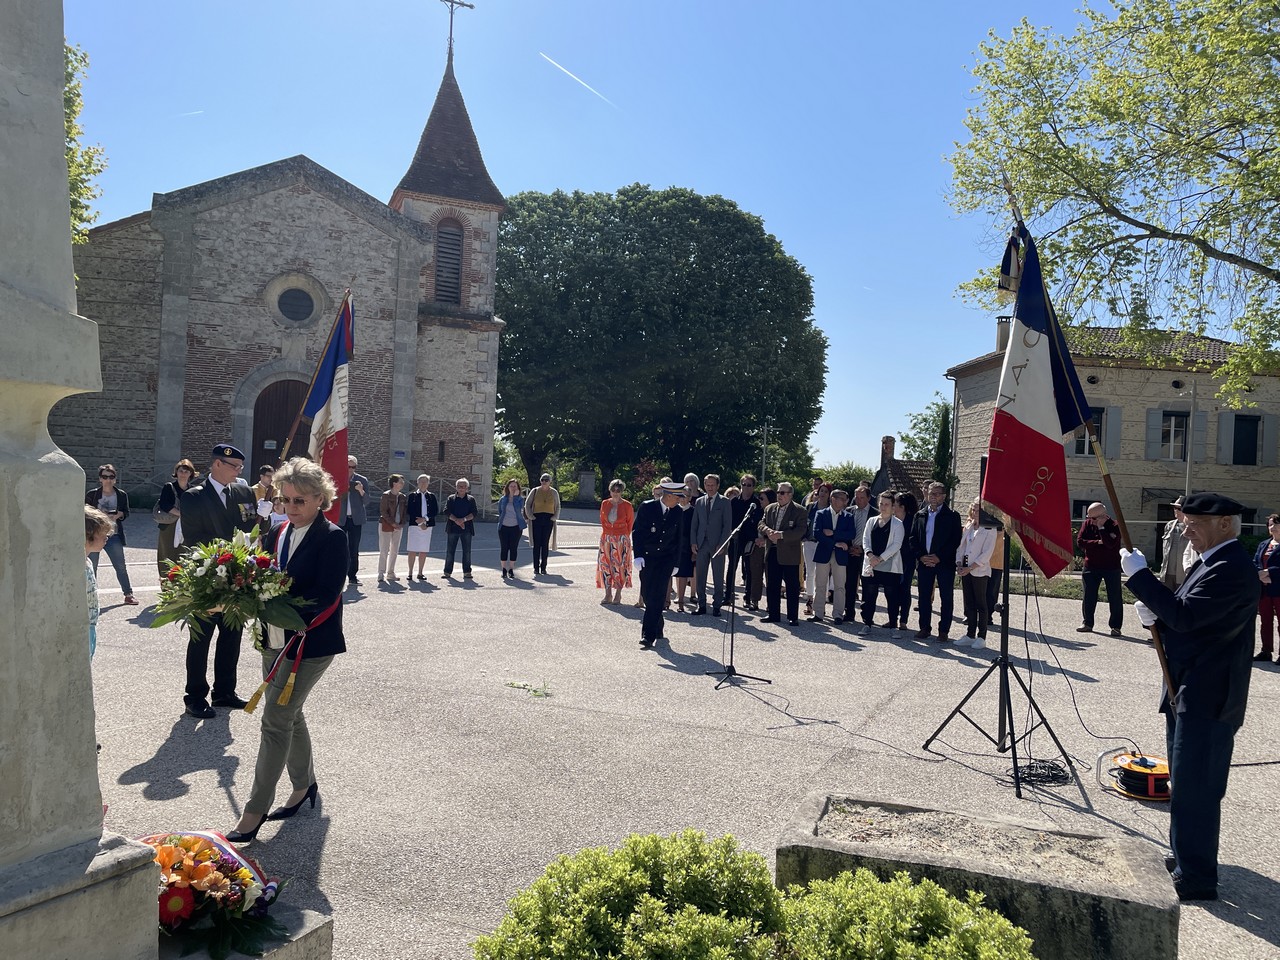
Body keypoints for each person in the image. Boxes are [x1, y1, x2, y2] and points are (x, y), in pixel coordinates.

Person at [1122, 492, 1260, 902]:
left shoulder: (1231, 568)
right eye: (1185, 523)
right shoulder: (1211, 562)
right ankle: (1187, 856)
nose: (1187, 530)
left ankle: (1198, 876)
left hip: (1209, 694)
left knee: (1197, 786)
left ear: (1225, 524)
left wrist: (1141, 580)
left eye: (1194, 524)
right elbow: (1187, 617)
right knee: (1183, 782)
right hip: (1188, 687)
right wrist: (1157, 618)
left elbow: (1187, 615)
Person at [225, 457, 347, 844]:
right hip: (273, 640)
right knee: (290, 714)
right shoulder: (277, 533)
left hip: (309, 644)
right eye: (286, 500)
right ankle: (303, 786)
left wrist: (284, 612)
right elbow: (263, 577)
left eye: (300, 501)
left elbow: (328, 595)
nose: (291, 508)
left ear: (319, 499)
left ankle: (255, 810)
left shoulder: (333, 537)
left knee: (275, 720)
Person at [179, 443, 261, 718]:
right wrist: (224, 558)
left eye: (240, 467)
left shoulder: (243, 491)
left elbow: (250, 528)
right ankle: (195, 696)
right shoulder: (193, 497)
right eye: (234, 467)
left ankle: (224, 691)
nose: (238, 472)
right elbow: (193, 538)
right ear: (217, 465)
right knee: (201, 637)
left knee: (231, 635)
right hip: (208, 577)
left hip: (237, 577)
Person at [631, 481, 687, 647]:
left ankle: (648, 635)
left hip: (666, 559)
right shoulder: (647, 508)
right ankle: (658, 625)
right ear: (668, 496)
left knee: (658, 595)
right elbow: (638, 532)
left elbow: (679, 539)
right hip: (647, 557)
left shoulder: (678, 512)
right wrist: (638, 555)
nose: (679, 500)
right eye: (678, 497)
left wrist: (676, 562)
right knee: (648, 594)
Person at [909, 482, 962, 642]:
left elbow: (955, 541)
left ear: (944, 496)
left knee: (946, 597)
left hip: (944, 563)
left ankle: (943, 630)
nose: (933, 496)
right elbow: (913, 539)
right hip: (925, 562)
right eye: (931, 493)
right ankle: (924, 628)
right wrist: (921, 556)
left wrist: (939, 557)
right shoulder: (920, 515)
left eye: (937, 494)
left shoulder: (952, 515)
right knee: (924, 596)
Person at [84, 463, 138, 605]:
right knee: (91, 565)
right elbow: (85, 513)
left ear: (115, 478)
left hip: (114, 534)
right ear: (100, 479)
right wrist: (99, 515)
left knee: (120, 566)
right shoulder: (92, 494)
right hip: (95, 535)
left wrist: (119, 515)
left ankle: (128, 593)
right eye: (105, 476)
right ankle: (90, 594)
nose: (108, 479)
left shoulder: (121, 495)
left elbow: (126, 512)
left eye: (111, 476)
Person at [759, 482, 807, 625]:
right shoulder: (769, 508)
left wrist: (781, 535)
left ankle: (792, 616)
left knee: (792, 586)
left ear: (790, 494)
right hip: (772, 551)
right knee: (772, 585)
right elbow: (761, 523)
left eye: (782, 493)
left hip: (789, 553)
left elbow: (800, 531)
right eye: (778, 492)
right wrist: (767, 530)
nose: (779, 495)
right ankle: (773, 614)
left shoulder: (800, 510)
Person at [858, 492, 904, 637]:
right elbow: (865, 540)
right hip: (872, 563)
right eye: (881, 504)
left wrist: (881, 558)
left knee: (892, 596)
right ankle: (867, 624)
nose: (883, 507)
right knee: (869, 595)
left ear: (893, 507)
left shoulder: (898, 524)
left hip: (890, 565)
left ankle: (893, 626)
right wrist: (870, 555)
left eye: (887, 504)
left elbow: (896, 545)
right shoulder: (871, 521)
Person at [954, 500, 998, 651]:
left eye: (978, 510)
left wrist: (971, 568)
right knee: (969, 602)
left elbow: (986, 554)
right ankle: (970, 634)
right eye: (973, 510)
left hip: (979, 570)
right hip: (965, 568)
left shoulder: (989, 529)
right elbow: (961, 547)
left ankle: (981, 636)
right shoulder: (968, 526)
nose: (974, 513)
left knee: (981, 603)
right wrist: (959, 564)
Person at [1077, 501, 1124, 637]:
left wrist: (1102, 529)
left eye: (1093, 518)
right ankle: (1087, 623)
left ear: (1103, 516)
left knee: (1114, 596)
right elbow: (1080, 542)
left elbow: (1110, 544)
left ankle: (1115, 626)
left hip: (1111, 566)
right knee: (1089, 595)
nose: (1090, 520)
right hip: (1091, 565)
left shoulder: (1114, 526)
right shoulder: (1087, 524)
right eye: (1089, 517)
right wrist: (1097, 542)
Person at [808, 489, 855, 623]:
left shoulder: (848, 516)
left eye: (846, 499)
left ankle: (838, 614)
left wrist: (833, 533)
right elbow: (817, 533)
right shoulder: (821, 514)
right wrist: (836, 544)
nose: (845, 502)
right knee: (820, 584)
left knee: (840, 586)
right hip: (824, 552)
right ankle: (818, 613)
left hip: (840, 555)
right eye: (842, 499)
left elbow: (850, 534)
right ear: (833, 499)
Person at [690, 473, 731, 616]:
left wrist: (722, 544)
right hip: (701, 544)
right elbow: (694, 523)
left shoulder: (724, 502)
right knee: (700, 576)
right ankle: (701, 604)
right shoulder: (700, 501)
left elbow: (727, 526)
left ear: (718, 485)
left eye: (713, 485)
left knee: (718, 577)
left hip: (717, 545)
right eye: (707, 485)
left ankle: (717, 605)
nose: (710, 487)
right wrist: (693, 541)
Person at [155, 458, 196, 584]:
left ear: (191, 474)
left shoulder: (194, 489)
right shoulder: (169, 487)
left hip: (186, 526)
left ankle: (181, 586)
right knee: (166, 555)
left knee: (184, 555)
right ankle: (166, 586)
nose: (183, 473)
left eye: (186, 471)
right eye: (181, 470)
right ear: (176, 472)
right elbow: (164, 504)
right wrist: (181, 514)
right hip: (169, 526)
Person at [597, 479, 634, 604]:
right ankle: (608, 594)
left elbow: (630, 523)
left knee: (620, 566)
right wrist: (608, 534)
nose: (615, 493)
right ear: (610, 490)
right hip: (606, 538)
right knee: (605, 566)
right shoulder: (605, 503)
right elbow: (602, 520)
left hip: (621, 539)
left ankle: (618, 593)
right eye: (613, 490)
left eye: (618, 490)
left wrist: (622, 537)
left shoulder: (627, 505)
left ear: (622, 491)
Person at [85, 505, 114, 659]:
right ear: (88, 534)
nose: (106, 537)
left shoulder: (87, 562)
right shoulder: (78, 566)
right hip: (82, 627)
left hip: (90, 624)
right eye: (102, 533)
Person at [888, 492, 919, 633]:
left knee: (904, 588)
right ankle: (892, 619)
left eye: (895, 503)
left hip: (907, 559)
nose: (893, 506)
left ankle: (903, 620)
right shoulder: (891, 519)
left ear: (902, 506)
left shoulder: (913, 520)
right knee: (892, 588)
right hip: (892, 559)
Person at [842, 485, 873, 624]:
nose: (859, 500)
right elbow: (843, 531)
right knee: (849, 584)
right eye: (857, 497)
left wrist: (862, 549)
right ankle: (849, 613)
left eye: (862, 498)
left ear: (869, 498)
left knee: (867, 586)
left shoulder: (875, 514)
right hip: (850, 552)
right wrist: (849, 547)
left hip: (866, 555)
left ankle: (867, 616)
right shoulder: (848, 512)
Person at [732, 475, 762, 610]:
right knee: (731, 568)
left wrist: (753, 536)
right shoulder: (734, 502)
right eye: (743, 484)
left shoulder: (756, 503)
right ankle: (728, 596)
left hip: (750, 540)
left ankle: (748, 598)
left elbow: (756, 523)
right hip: (736, 539)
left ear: (753, 487)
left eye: (749, 485)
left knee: (749, 570)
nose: (745, 487)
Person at [802, 484, 832, 617]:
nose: (823, 493)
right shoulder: (810, 507)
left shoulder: (830, 510)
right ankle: (809, 600)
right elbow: (804, 523)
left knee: (822, 575)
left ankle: (820, 604)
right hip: (809, 542)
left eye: (826, 491)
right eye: (821, 491)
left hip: (823, 543)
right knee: (809, 572)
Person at [1254, 514, 1280, 663]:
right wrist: (1259, 573)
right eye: (1270, 525)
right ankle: (1266, 651)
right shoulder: (1264, 544)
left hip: (1278, 589)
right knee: (1265, 620)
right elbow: (1255, 560)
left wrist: (1270, 572)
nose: (1272, 527)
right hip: (1264, 589)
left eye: (1276, 524)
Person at [672, 473, 700, 611]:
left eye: (687, 496)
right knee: (673, 573)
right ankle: (672, 599)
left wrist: (694, 548)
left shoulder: (694, 512)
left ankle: (682, 601)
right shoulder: (673, 510)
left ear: (690, 498)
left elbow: (695, 531)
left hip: (687, 547)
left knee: (683, 573)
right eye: (681, 495)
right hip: (673, 546)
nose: (684, 498)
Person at [340, 456, 368, 588]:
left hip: (355, 520)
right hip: (341, 519)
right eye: (348, 466)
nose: (350, 469)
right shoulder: (337, 479)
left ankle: (352, 576)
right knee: (338, 548)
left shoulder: (362, 480)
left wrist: (361, 490)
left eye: (353, 467)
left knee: (354, 548)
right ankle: (337, 575)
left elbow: (367, 501)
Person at [524, 473, 560, 575]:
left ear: (550, 482)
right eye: (542, 480)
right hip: (537, 518)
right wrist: (531, 516)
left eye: (546, 480)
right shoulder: (535, 491)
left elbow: (558, 506)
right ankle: (536, 567)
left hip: (548, 519)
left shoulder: (554, 492)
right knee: (537, 544)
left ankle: (543, 567)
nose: (544, 482)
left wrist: (554, 517)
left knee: (545, 544)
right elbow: (527, 504)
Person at [442, 477, 477, 579]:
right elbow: (446, 511)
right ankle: (447, 572)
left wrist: (463, 520)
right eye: (459, 486)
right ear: (456, 487)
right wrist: (457, 520)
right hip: (452, 528)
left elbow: (474, 513)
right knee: (450, 551)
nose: (461, 488)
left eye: (464, 486)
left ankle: (467, 572)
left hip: (467, 529)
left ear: (467, 488)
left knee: (467, 551)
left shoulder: (471, 499)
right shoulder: (451, 498)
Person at [405, 474, 438, 581]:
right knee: (412, 550)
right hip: (415, 525)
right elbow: (410, 510)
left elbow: (435, 511)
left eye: (425, 481)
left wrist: (425, 520)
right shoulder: (412, 496)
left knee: (423, 550)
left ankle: (420, 572)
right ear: (417, 483)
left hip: (427, 525)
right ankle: (410, 573)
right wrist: (419, 523)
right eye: (421, 481)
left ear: (428, 483)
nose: (423, 484)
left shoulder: (432, 496)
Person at [377, 474, 407, 583]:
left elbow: (404, 512)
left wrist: (402, 523)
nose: (402, 483)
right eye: (400, 481)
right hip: (386, 524)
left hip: (398, 525)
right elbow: (383, 511)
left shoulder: (403, 497)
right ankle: (381, 573)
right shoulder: (386, 495)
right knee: (384, 549)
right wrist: (392, 523)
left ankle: (391, 572)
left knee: (395, 550)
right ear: (394, 483)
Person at [496, 479, 527, 579]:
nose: (513, 488)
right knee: (504, 548)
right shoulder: (503, 499)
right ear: (507, 488)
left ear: (518, 488)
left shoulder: (520, 499)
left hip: (516, 527)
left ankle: (511, 569)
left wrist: (514, 497)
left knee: (513, 548)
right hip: (503, 527)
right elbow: (500, 511)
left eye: (515, 486)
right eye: (511, 486)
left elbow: (519, 509)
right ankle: (504, 569)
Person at [1159, 497, 1190, 589]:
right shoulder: (1169, 525)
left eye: (1179, 508)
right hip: (1167, 574)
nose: (1176, 511)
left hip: (1183, 574)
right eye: (1174, 508)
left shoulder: (1192, 528)